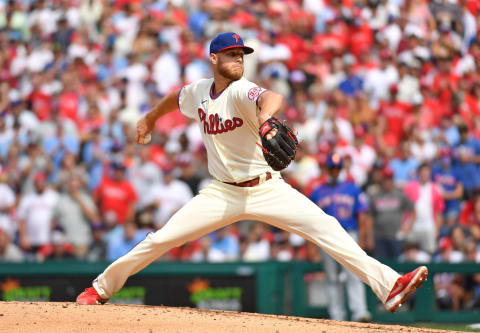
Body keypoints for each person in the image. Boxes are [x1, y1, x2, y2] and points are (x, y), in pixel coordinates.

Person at [76, 32, 427, 313]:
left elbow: (271, 97)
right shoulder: (199, 91)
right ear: (214, 59)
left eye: (242, 54)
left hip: (267, 188)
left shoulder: (243, 90)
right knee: (161, 239)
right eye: (231, 54)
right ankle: (100, 288)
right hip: (222, 193)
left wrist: (264, 118)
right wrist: (150, 118)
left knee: (328, 228)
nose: (238, 59)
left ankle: (390, 286)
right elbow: (175, 97)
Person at [309, 153, 371, 321]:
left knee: (353, 274)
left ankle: (360, 313)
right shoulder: (318, 191)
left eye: (337, 168)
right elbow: (309, 220)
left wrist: (362, 239)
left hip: (349, 234)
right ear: (327, 169)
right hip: (327, 237)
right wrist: (312, 246)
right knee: (332, 278)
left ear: (341, 169)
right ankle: (337, 316)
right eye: (332, 168)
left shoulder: (352, 188)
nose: (335, 171)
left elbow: (362, 216)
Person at [369, 167, 415, 260]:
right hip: (379, 236)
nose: (387, 182)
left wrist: (408, 228)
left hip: (396, 237)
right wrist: (369, 236)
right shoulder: (375, 196)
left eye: (389, 179)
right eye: (385, 179)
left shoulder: (399, 195)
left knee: (396, 265)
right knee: (381, 265)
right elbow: (370, 217)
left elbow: (412, 211)